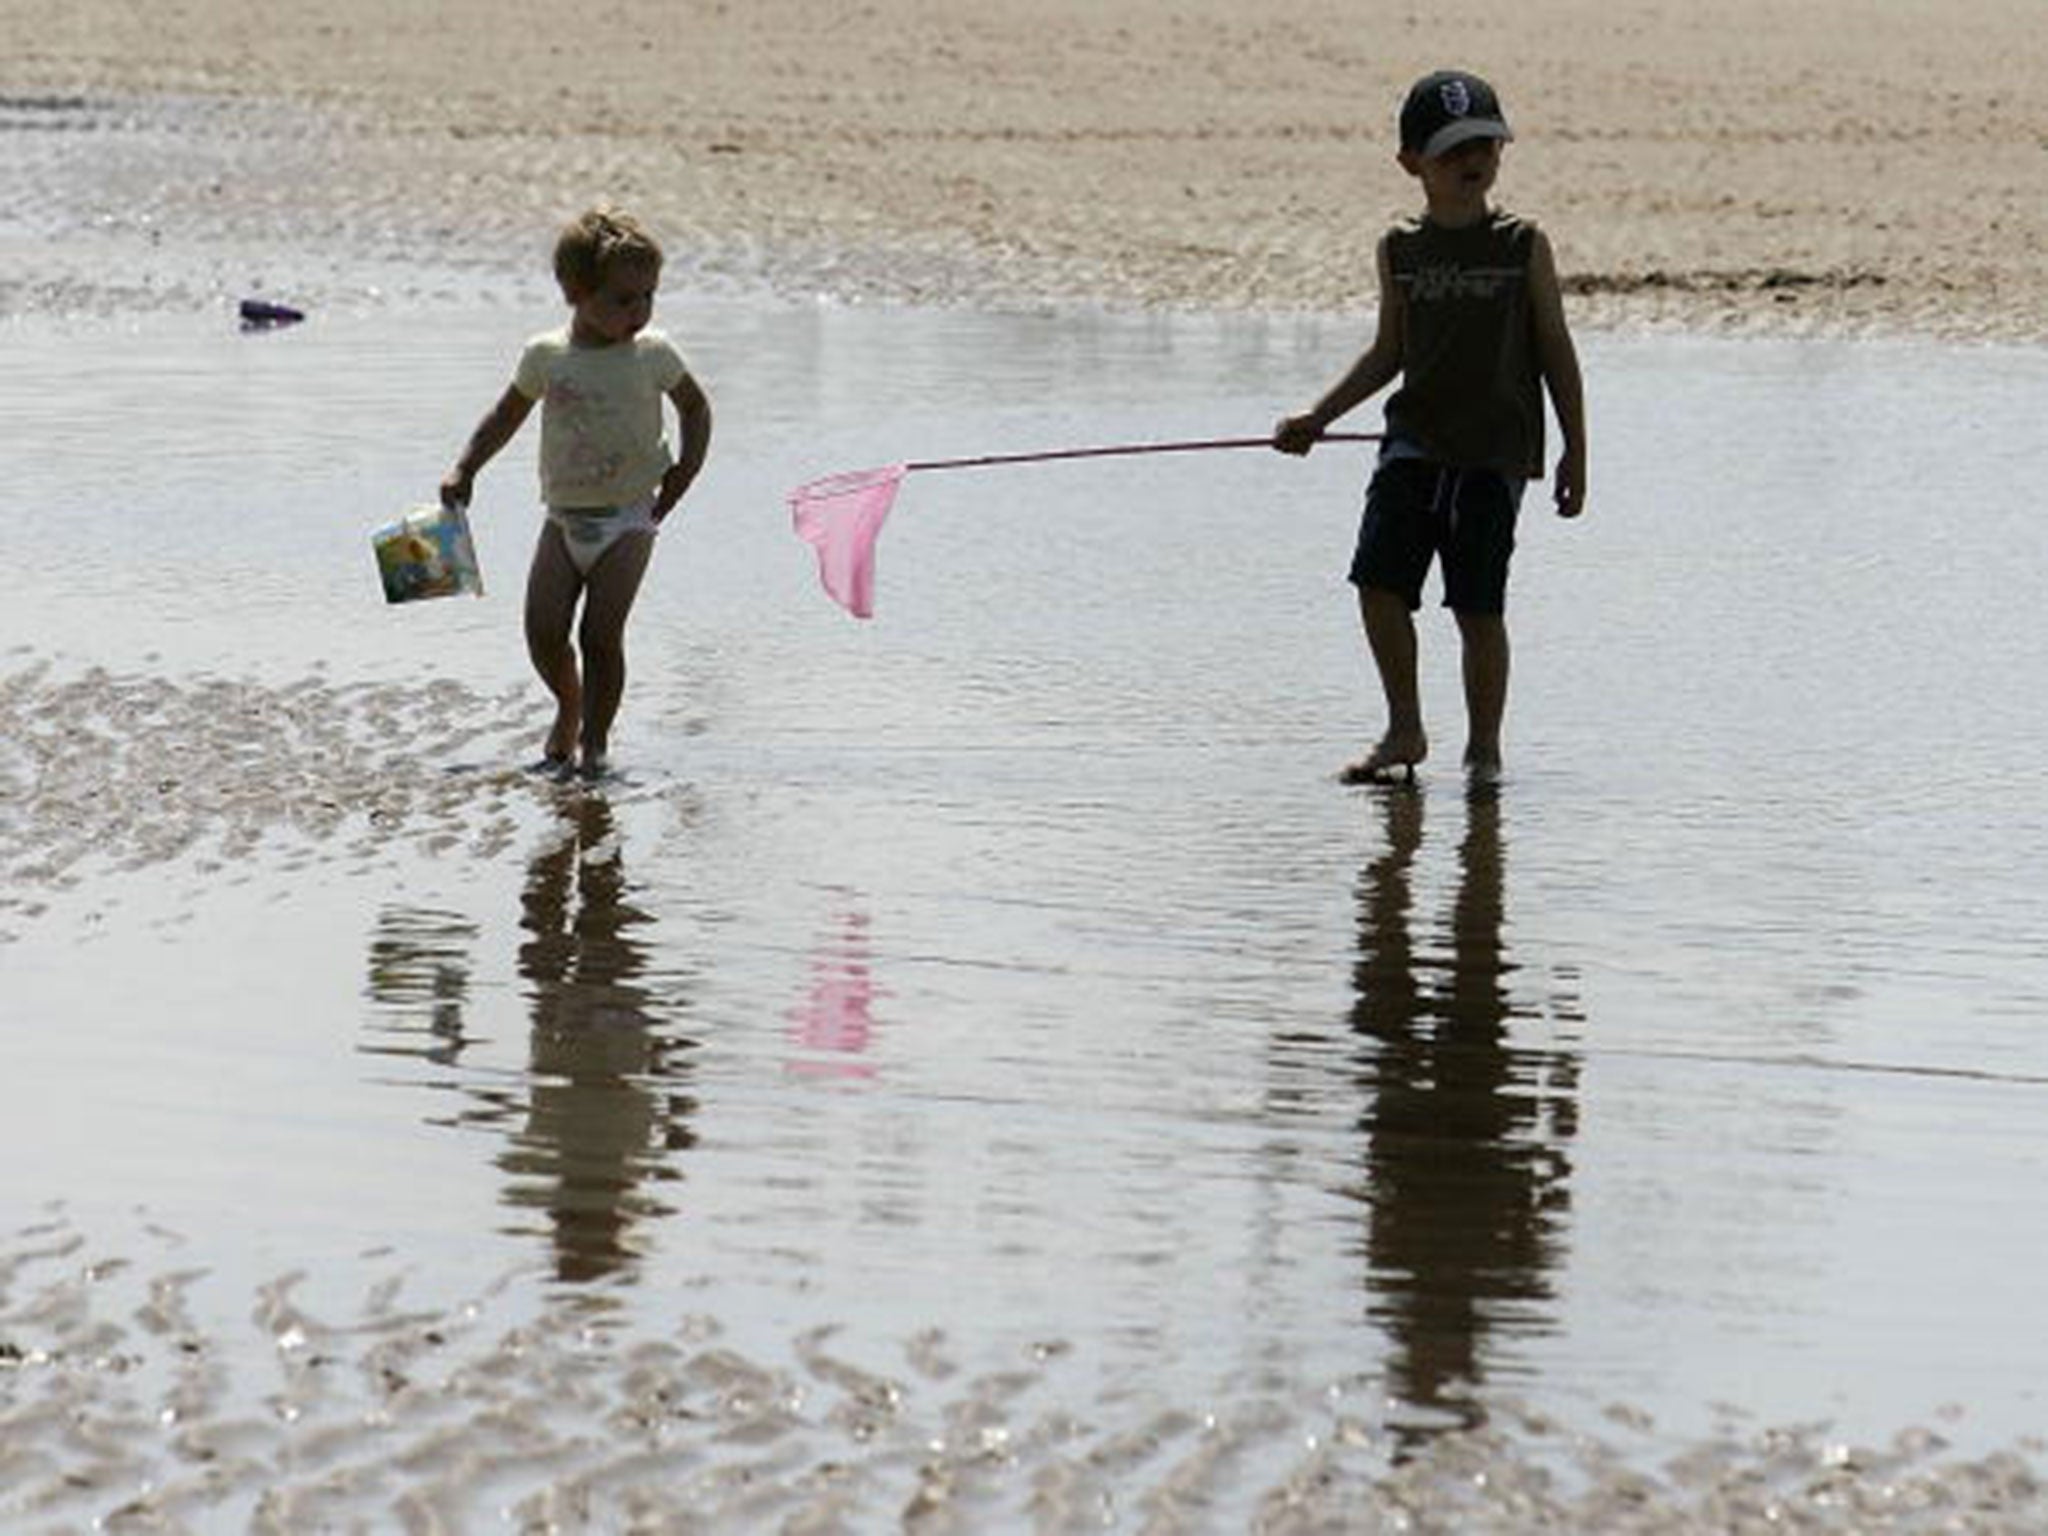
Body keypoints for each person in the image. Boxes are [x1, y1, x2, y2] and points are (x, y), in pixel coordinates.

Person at [1274, 69, 1586, 786]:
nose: (1472, 160)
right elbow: (1389, 352)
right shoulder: (1401, 249)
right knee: (1377, 584)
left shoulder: (1522, 245)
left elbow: (1556, 350)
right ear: (1412, 163)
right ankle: (1405, 727)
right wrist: (1317, 418)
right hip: (1412, 447)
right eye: (1451, 150)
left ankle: (1483, 749)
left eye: (1485, 143)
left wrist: (1575, 449)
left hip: (1493, 457)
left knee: (1478, 606)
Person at [442, 206, 713, 778]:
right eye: (622, 299)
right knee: (543, 631)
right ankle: (569, 705)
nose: (638, 311)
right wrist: (466, 468)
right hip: (562, 520)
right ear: (575, 292)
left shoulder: (652, 354)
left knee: (600, 634)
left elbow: (695, 407)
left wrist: (685, 471)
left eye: (648, 297)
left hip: (629, 519)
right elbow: (505, 415)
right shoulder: (548, 356)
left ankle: (595, 743)